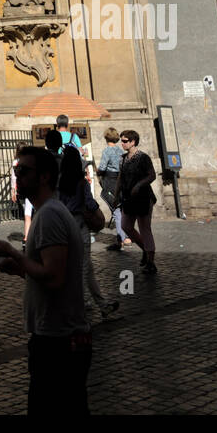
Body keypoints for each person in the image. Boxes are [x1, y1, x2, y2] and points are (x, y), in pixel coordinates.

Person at [0, 145, 92, 417]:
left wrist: (15, 253)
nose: (18, 176)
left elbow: (55, 277)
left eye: (24, 171)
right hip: (56, 336)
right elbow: (46, 273)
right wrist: (18, 268)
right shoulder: (46, 212)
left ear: (45, 176)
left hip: (59, 341)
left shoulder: (49, 215)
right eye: (16, 171)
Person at [57, 146, 117, 320]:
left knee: (87, 268)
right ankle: (80, 305)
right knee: (82, 268)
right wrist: (97, 211)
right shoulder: (81, 182)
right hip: (80, 225)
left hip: (66, 226)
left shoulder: (60, 182)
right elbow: (90, 204)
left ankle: (102, 305)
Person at [115, 130, 158, 274]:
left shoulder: (143, 157)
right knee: (125, 226)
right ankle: (145, 249)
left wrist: (139, 185)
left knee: (144, 228)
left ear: (133, 142)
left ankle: (151, 262)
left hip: (143, 198)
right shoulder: (122, 158)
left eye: (125, 141)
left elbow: (152, 175)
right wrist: (116, 195)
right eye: (121, 140)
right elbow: (120, 178)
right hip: (128, 198)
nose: (122, 143)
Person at [98, 126, 130, 250]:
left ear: (106, 138)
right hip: (122, 180)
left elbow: (102, 167)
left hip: (111, 181)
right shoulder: (121, 151)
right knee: (122, 210)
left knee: (116, 210)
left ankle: (122, 239)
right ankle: (124, 237)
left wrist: (98, 171)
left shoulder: (107, 151)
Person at [10, 142, 34, 249]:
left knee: (27, 212)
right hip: (31, 188)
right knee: (30, 213)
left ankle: (27, 236)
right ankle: (29, 236)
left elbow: (13, 178)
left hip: (22, 189)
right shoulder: (31, 160)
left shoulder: (16, 162)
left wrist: (13, 190)